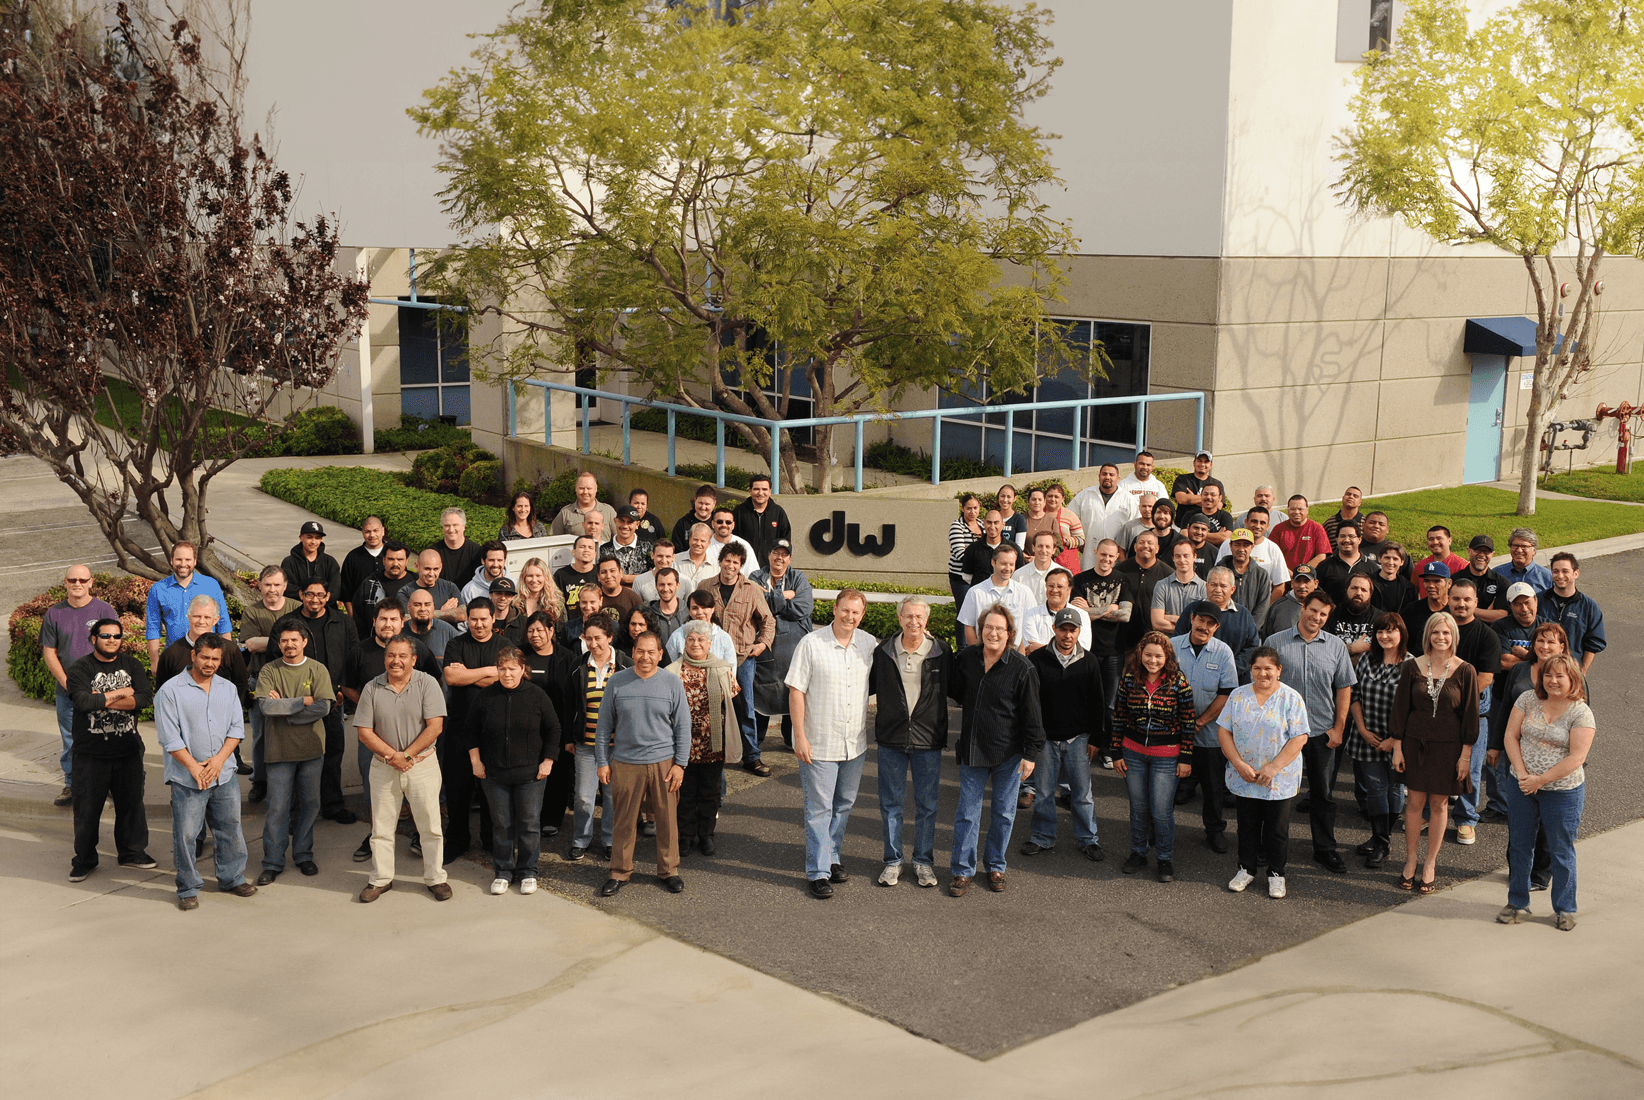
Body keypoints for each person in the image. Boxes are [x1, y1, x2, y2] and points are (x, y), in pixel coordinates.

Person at [945, 605, 1043, 896]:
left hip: (1008, 755)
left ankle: (996, 865)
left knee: (1004, 814)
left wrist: (1030, 754)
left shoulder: (1022, 668)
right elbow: (954, 690)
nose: (993, 633)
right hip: (973, 752)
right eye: (988, 627)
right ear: (981, 630)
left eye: (1000, 628)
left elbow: (1033, 716)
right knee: (967, 814)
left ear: (1009, 633)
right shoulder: (966, 659)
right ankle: (963, 870)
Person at [786, 589, 876, 899]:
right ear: (834, 609)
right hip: (819, 741)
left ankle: (832, 856)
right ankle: (818, 871)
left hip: (854, 743)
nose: (849, 617)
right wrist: (799, 735)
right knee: (819, 809)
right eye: (845, 610)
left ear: (861, 615)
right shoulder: (811, 643)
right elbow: (796, 691)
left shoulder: (868, 643)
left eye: (856, 612)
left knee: (843, 805)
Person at [155, 634, 255, 910]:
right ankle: (187, 887)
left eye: (215, 659)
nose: (210, 663)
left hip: (223, 774)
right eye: (205, 657)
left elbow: (237, 729)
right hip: (187, 778)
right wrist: (194, 768)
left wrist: (219, 761)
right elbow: (169, 738)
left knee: (230, 828)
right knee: (186, 835)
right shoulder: (170, 691)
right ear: (193, 656)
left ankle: (232, 878)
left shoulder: (227, 688)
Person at [341, 601, 442, 862]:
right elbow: (348, 685)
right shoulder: (359, 652)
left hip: (418, 751)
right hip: (376, 745)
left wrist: (407, 754)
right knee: (377, 798)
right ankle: (376, 842)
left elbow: (433, 685)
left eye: (393, 619)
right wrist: (368, 706)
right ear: (374, 621)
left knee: (425, 807)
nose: (388, 624)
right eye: (382, 619)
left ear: (402, 621)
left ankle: (422, 841)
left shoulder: (418, 651)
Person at [1499, 654, 1594, 930]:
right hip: (1522, 785)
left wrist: (1540, 780)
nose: (1552, 681)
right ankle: (1517, 902)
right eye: (1548, 675)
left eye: (1560, 676)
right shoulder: (1527, 699)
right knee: (1519, 845)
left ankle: (1564, 909)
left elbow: (1577, 757)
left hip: (1562, 791)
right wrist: (1523, 773)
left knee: (1560, 849)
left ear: (1573, 679)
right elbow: (1510, 736)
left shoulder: (1581, 712)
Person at [1387, 611, 1479, 894]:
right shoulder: (1412, 667)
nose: (1441, 638)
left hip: (1449, 749)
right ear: (1428, 635)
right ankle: (1411, 859)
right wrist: (1398, 748)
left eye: (1446, 633)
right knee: (1414, 803)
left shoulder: (1466, 670)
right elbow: (1400, 710)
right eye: (1436, 632)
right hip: (1415, 745)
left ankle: (1430, 863)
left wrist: (1465, 757)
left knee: (1439, 805)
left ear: (1454, 637)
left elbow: (1470, 717)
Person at [594, 632, 691, 896]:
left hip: (663, 763)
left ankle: (669, 870)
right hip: (626, 763)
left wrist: (680, 764)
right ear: (632, 652)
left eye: (651, 652)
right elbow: (604, 727)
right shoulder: (617, 682)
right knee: (623, 821)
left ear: (661, 654)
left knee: (667, 820)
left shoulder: (672, 683)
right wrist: (602, 762)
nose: (645, 657)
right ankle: (619, 871)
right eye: (640, 651)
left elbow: (683, 726)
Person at [354, 636, 450, 903]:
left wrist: (407, 754)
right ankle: (380, 879)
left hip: (422, 765)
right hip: (384, 766)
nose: (395, 661)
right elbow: (364, 731)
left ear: (413, 659)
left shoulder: (427, 683)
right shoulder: (372, 687)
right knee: (382, 827)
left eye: (402, 656)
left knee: (430, 825)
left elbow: (435, 727)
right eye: (390, 655)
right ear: (384, 658)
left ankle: (436, 878)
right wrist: (392, 756)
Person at [1268, 590, 1357, 873]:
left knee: (1323, 795)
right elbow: (1264, 685)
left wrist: (1339, 727)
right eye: (1313, 610)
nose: (1316, 617)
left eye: (1323, 614)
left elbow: (1344, 687)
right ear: (1303, 608)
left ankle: (1325, 849)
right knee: (1276, 794)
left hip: (1321, 732)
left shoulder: (1336, 646)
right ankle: (1269, 847)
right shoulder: (1275, 642)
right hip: (1282, 734)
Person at [66, 618, 157, 881]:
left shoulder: (132, 664)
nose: (111, 640)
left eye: (116, 636)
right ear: (93, 638)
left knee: (131, 805)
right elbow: (83, 702)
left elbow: (144, 697)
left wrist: (103, 699)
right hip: (90, 754)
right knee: (86, 810)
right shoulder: (81, 668)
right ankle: (84, 859)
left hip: (128, 750)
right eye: (105, 635)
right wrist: (121, 694)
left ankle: (132, 852)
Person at [1217, 647, 1311, 900]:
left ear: (1278, 670)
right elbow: (1224, 731)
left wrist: (1273, 767)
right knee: (1247, 826)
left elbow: (1300, 737)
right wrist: (1238, 763)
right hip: (1245, 775)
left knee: (1276, 829)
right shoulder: (1238, 696)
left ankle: (1276, 874)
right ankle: (1246, 869)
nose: (1263, 673)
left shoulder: (1291, 698)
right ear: (1251, 669)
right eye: (1257, 668)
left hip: (1278, 778)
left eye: (1268, 668)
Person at [467, 646, 560, 896]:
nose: (507, 673)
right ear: (497, 670)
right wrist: (476, 761)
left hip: (531, 775)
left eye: (512, 668)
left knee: (529, 823)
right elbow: (471, 731)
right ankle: (504, 872)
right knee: (502, 824)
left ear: (523, 670)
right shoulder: (485, 696)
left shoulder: (537, 695)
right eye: (502, 668)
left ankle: (528, 870)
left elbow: (553, 730)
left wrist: (548, 761)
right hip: (494, 775)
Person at [871, 597, 951, 887]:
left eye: (919, 616)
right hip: (891, 737)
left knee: (927, 806)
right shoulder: (883, 651)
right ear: (899, 618)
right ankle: (893, 861)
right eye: (908, 616)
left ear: (926, 620)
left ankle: (923, 862)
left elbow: (954, 690)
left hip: (928, 739)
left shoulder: (942, 651)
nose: (913, 621)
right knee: (891, 804)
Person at [1488, 623, 1572, 895]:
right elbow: (1503, 708)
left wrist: (1575, 759)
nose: (1545, 647)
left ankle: (1539, 874)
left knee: (1548, 823)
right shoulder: (1520, 670)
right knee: (1520, 818)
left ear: (1562, 647)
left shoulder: (1572, 674)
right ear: (1532, 644)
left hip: (1554, 762)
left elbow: (1581, 717)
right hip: (1518, 757)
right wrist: (1495, 745)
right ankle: (1518, 870)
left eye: (1552, 642)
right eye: (1540, 641)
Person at [253, 623, 334, 885]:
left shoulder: (317, 669)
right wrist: (301, 701)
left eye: (294, 640)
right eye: (284, 641)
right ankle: (273, 862)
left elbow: (323, 707)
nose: (289, 645)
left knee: (310, 805)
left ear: (304, 642)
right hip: (278, 751)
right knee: (278, 808)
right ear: (279, 644)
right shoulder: (269, 670)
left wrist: (285, 712)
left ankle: (303, 855)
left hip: (311, 750)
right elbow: (265, 706)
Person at [1112, 631, 1196, 883]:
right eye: (1148, 654)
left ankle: (1164, 859)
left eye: (1158, 656)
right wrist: (1116, 751)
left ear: (1167, 656)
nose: (1152, 660)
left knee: (1161, 811)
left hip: (1167, 756)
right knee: (1138, 808)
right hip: (1133, 752)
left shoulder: (1178, 682)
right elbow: (1118, 716)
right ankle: (1138, 852)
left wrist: (1186, 757)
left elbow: (1188, 721)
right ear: (1140, 654)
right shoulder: (1129, 679)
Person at [1023, 609, 1105, 861]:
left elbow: (1098, 703)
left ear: (1079, 632)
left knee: (1082, 794)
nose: (1067, 635)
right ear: (1054, 628)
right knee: (1045, 792)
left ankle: (1088, 839)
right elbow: (1030, 702)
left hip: (1078, 738)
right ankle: (1042, 837)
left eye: (1073, 630)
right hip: (1046, 739)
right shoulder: (1036, 659)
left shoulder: (1090, 661)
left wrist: (1095, 739)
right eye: (1063, 629)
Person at [277, 579, 357, 825]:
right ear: (301, 594)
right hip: (299, 701)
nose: (315, 599)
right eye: (309, 594)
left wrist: (341, 689)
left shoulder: (342, 622)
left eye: (320, 595)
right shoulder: (287, 624)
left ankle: (332, 805)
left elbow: (352, 657)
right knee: (299, 758)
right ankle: (298, 812)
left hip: (333, 699)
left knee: (333, 753)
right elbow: (276, 658)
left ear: (328, 596)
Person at [40, 565, 118, 806]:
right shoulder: (54, 614)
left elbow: (112, 648)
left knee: (107, 737)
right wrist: (69, 685)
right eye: (72, 579)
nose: (77, 583)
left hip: (101, 691)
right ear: (65, 583)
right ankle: (73, 784)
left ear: (91, 582)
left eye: (82, 580)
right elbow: (49, 653)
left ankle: (109, 785)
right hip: (68, 693)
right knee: (71, 740)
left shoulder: (104, 611)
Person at [441, 597, 511, 862]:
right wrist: (487, 671)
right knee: (458, 790)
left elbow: (505, 679)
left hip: (493, 731)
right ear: (466, 619)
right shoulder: (456, 644)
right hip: (460, 729)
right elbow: (452, 677)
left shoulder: (504, 644)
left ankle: (491, 840)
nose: (479, 624)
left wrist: (468, 675)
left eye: (484, 619)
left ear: (493, 619)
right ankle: (457, 840)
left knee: (491, 790)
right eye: (473, 619)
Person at [1169, 603, 1237, 849]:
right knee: (1167, 785)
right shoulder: (1172, 646)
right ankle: (1159, 829)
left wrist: (1199, 721)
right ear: (1191, 618)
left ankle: (1214, 830)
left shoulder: (1223, 652)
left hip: (1208, 733)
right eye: (1201, 621)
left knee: (1213, 788)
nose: (1204, 627)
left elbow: (1226, 692)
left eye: (1211, 623)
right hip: (1173, 732)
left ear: (1216, 627)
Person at [1345, 613, 1409, 869]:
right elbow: (1355, 695)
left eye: (1390, 631)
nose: (1384, 636)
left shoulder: (1411, 665)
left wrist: (1394, 740)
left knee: (1394, 789)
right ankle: (1381, 842)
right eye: (1380, 631)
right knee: (1375, 788)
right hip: (1368, 737)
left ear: (1401, 634)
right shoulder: (1366, 661)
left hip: (1398, 740)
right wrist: (1361, 729)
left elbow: (1414, 708)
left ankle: (1381, 839)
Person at [703, 544, 774, 776]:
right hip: (711, 659)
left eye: (735, 562)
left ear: (740, 565)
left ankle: (752, 756)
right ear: (720, 561)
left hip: (743, 658)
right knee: (711, 707)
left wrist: (762, 644)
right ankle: (713, 754)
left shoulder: (751, 589)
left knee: (746, 709)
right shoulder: (706, 586)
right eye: (727, 560)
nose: (730, 566)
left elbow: (768, 620)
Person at [672, 621, 740, 857]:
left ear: (710, 643)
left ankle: (707, 835)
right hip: (683, 744)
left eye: (701, 639)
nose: (696, 643)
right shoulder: (672, 671)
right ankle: (686, 836)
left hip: (714, 742)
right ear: (684, 642)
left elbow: (733, 704)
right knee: (686, 792)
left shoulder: (722, 668)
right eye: (691, 639)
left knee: (710, 792)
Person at [568, 612, 630, 861]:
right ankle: (580, 840)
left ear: (610, 638)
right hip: (586, 744)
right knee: (583, 797)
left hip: (618, 745)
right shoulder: (578, 665)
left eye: (598, 638)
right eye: (588, 638)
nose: (593, 644)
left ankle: (609, 840)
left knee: (612, 797)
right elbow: (569, 704)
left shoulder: (625, 665)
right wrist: (570, 738)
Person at [1070, 538, 1137, 766]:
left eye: (1112, 556)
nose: (1107, 559)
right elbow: (1077, 615)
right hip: (1085, 650)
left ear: (1117, 556)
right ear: (1095, 552)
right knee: (1083, 701)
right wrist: (1109, 609)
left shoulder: (1123, 580)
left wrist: (1091, 610)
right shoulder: (1080, 580)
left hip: (1113, 652)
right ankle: (1084, 747)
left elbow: (1126, 615)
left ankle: (1107, 748)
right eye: (1103, 554)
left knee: (1110, 705)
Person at [1446, 576, 1502, 846]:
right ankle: (1428, 812)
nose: (1461, 604)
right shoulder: (1438, 628)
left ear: (1476, 602)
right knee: (1436, 763)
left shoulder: (1486, 635)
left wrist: (1457, 702)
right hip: (1436, 709)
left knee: (1470, 769)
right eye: (1456, 598)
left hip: (1474, 710)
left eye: (1467, 599)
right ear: (1448, 599)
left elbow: (1487, 677)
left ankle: (1466, 818)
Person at [239, 565, 300, 802]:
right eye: (267, 584)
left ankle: (292, 779)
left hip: (293, 680)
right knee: (261, 736)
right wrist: (289, 641)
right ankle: (260, 781)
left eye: (277, 584)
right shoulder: (252, 612)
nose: (272, 589)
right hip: (259, 681)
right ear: (259, 585)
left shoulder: (296, 607)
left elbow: (305, 640)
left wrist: (268, 641)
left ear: (285, 586)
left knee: (293, 731)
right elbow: (250, 645)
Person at [752, 540, 812, 747]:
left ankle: (791, 739)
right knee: (761, 693)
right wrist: (785, 596)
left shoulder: (799, 577)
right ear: (769, 555)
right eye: (775, 552)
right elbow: (754, 606)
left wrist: (770, 598)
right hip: (764, 648)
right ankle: (755, 743)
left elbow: (803, 608)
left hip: (794, 649)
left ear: (790, 558)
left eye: (784, 554)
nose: (779, 557)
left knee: (793, 690)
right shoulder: (755, 577)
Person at [144, 541, 230, 670]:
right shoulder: (158, 590)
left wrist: (226, 656)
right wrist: (155, 661)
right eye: (179, 559)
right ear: (171, 561)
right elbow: (153, 628)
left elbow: (223, 623)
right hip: (175, 657)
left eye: (188, 559)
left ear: (195, 561)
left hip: (208, 655)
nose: (183, 564)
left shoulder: (211, 585)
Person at [1170, 566, 1260, 682]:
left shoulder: (1243, 615)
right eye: (1213, 584)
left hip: (1234, 681)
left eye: (1223, 586)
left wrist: (1229, 669)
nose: (1218, 590)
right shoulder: (1192, 609)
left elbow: (1252, 647)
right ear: (1206, 586)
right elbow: (1178, 640)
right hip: (1190, 679)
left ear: (1232, 589)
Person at [155, 595, 252, 702]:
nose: (201, 621)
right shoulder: (171, 654)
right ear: (188, 616)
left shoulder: (230, 650)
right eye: (197, 616)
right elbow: (162, 694)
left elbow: (240, 686)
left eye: (207, 617)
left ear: (216, 620)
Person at [1536, 552, 1605, 674]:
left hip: (1571, 671)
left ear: (1576, 573)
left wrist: (1582, 672)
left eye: (1565, 571)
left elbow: (1594, 643)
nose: (1560, 575)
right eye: (1555, 571)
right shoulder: (1538, 600)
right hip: (1540, 670)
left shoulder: (1589, 606)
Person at [957, 542, 1036, 647]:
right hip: (983, 654)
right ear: (993, 562)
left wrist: (1020, 657)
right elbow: (969, 626)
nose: (1008, 568)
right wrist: (975, 655)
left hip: (1015, 655)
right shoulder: (975, 592)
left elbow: (1030, 626)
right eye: (1003, 563)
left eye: (1012, 564)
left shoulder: (1025, 592)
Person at [1070, 463, 1139, 569]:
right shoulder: (1085, 495)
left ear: (1118, 478)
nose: (1107, 477)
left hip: (1115, 557)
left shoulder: (1128, 499)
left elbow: (1136, 527)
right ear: (1099, 477)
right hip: (1089, 553)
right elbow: (1069, 518)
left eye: (1111, 475)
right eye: (1104, 474)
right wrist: (1078, 541)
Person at [1215, 507, 1291, 603]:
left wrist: (1265, 610)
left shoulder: (1273, 549)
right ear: (1246, 522)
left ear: (1268, 526)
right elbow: (1216, 575)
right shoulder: (1227, 544)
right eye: (1254, 521)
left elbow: (1280, 585)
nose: (1258, 526)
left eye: (1262, 523)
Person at [1116, 531, 1171, 652]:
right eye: (1141, 542)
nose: (1145, 546)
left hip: (1155, 642)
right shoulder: (1120, 571)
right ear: (1135, 547)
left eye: (1150, 543)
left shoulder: (1168, 575)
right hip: (1123, 642)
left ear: (1157, 549)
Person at [349, 541, 414, 640]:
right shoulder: (369, 584)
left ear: (406, 561)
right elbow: (358, 621)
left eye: (400, 559)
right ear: (383, 560)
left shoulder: (416, 584)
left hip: (409, 646)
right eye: (391, 559)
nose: (395, 563)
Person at [1021, 567, 1091, 654]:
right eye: (1051, 586)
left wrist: (1043, 647)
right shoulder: (1031, 614)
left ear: (1069, 590)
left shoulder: (1081, 614)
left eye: (1060, 586)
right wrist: (1066, 649)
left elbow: (1083, 648)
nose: (1054, 590)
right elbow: (1031, 649)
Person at [730, 473, 791, 569]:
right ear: (750, 491)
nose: (760, 493)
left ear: (770, 491)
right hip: (744, 567)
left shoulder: (778, 512)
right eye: (756, 489)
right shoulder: (739, 512)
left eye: (765, 489)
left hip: (770, 568)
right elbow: (732, 539)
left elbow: (785, 541)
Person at [666, 590, 738, 665]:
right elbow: (669, 667)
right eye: (695, 608)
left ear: (713, 609)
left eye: (704, 607)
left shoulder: (724, 638)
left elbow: (730, 669)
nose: (700, 612)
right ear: (689, 610)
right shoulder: (677, 636)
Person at [280, 520, 343, 606]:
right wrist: (309, 597)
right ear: (301, 537)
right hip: (297, 609)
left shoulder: (330, 562)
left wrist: (318, 601)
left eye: (317, 538)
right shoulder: (289, 562)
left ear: (321, 539)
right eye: (309, 537)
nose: (313, 542)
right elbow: (287, 588)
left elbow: (335, 590)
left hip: (326, 610)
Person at [1150, 539, 1206, 633]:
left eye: (1186, 556)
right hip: (1168, 645)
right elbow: (1157, 623)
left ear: (1194, 557)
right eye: (1177, 556)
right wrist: (1188, 625)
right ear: (1173, 558)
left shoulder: (1204, 588)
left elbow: (1203, 624)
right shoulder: (1162, 586)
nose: (1182, 560)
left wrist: (1168, 617)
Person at [1222, 528, 1275, 628]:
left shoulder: (1261, 575)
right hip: (1223, 630)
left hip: (1252, 633)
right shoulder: (1219, 572)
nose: (1241, 549)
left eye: (1246, 545)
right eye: (1237, 544)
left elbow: (1262, 608)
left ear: (1252, 547)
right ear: (1230, 546)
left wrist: (1249, 630)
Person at [1315, 521, 1376, 606]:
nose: (1346, 540)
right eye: (1342, 536)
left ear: (1359, 539)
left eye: (1351, 536)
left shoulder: (1373, 569)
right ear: (1337, 539)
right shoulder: (1324, 566)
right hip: (1332, 617)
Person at [1401, 562, 1453, 651]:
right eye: (1427, 581)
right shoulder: (1411, 610)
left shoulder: (1455, 611)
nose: (1431, 585)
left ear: (1449, 584)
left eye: (1437, 581)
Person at [339, 516, 388, 609]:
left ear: (383, 531)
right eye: (367, 532)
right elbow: (346, 591)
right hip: (361, 615)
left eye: (375, 530)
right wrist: (352, 617)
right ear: (362, 533)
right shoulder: (353, 557)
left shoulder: (392, 554)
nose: (372, 535)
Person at [1271, 495, 1329, 572]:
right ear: (1288, 510)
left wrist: (1302, 573)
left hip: (1308, 577)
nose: (1296, 512)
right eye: (1292, 509)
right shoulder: (1278, 529)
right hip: (1283, 575)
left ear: (1307, 510)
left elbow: (1321, 556)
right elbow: (1272, 555)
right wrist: (1287, 573)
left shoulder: (1317, 528)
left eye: (1300, 509)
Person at [1460, 535, 1511, 622]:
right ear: (1469, 551)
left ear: (1492, 554)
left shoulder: (1502, 582)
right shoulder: (1456, 579)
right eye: (1477, 550)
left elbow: (1501, 616)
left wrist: (1466, 609)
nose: (1482, 554)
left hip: (1492, 633)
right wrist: (1487, 613)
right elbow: (1450, 609)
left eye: (1487, 551)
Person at [405, 549, 465, 624]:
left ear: (441, 567)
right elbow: (405, 619)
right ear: (417, 566)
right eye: (427, 569)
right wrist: (444, 612)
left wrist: (425, 615)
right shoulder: (406, 592)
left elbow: (463, 614)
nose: (431, 574)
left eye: (435, 569)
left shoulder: (450, 587)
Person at [1327, 574, 1379, 658]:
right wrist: (1352, 649)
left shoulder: (1379, 618)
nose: (1358, 593)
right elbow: (1323, 647)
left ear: (1370, 594)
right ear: (1346, 590)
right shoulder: (1333, 614)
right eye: (1354, 588)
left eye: (1364, 590)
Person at [551, 471, 617, 536]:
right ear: (576, 488)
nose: (585, 492)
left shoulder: (609, 512)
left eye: (589, 488)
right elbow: (553, 540)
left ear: (596, 488)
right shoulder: (565, 513)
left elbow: (620, 539)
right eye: (581, 488)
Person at [947, 493, 985, 605]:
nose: (972, 512)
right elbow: (961, 555)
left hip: (979, 576)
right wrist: (979, 550)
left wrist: (970, 548)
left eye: (975, 508)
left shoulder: (983, 524)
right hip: (960, 577)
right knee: (964, 612)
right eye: (969, 508)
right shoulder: (957, 526)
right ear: (962, 508)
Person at [434, 507, 483, 593]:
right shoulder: (434, 553)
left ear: (463, 526)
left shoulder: (477, 552)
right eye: (447, 525)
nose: (451, 530)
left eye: (455, 525)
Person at [601, 505, 653, 585]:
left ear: (637, 524)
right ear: (615, 521)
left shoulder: (648, 546)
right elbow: (602, 577)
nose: (625, 526)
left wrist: (624, 578)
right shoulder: (604, 549)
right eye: (622, 521)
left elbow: (656, 574)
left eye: (630, 522)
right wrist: (641, 577)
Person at [1263, 564, 1318, 639]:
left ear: (1315, 583)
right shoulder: (1278, 607)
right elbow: (1266, 637)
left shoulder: (1324, 608)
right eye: (1298, 581)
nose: (1302, 586)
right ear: (1292, 583)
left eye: (1306, 581)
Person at [405, 588, 459, 663]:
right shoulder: (400, 632)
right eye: (417, 605)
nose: (423, 609)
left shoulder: (448, 632)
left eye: (427, 604)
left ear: (433, 607)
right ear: (408, 607)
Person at [959, 509, 1010, 588]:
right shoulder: (973, 549)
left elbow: (1019, 575)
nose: (992, 527)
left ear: (1003, 524)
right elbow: (967, 577)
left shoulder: (1013, 549)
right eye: (989, 522)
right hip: (980, 596)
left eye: (996, 522)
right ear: (984, 523)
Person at [1043, 483, 1086, 572]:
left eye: (1056, 497)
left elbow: (1081, 539)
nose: (1053, 499)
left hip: (1066, 561)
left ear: (1062, 499)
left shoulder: (1070, 515)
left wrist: (1064, 541)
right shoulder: (1038, 514)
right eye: (1050, 496)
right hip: (1042, 559)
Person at [511, 556, 566, 626]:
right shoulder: (515, 602)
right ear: (523, 578)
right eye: (530, 576)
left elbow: (562, 632)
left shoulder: (556, 603)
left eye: (538, 575)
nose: (534, 580)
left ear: (545, 577)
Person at [1126, 497, 1182, 562]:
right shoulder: (1140, 540)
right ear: (1153, 515)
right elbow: (1131, 564)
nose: (1161, 516)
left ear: (1172, 517)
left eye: (1166, 513)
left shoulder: (1181, 541)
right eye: (1158, 512)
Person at [1359, 512, 1411, 581]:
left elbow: (1411, 579)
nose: (1376, 526)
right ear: (1363, 525)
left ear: (1387, 530)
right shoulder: (1353, 546)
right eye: (1372, 522)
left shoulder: (1395, 550)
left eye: (1381, 524)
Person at [706, 507, 759, 575]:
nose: (724, 525)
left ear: (733, 525)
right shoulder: (704, 545)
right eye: (720, 522)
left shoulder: (744, 545)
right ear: (713, 524)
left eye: (728, 522)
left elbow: (753, 574)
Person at [554, 535, 601, 610]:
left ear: (595, 554)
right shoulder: (561, 575)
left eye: (590, 547)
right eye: (582, 547)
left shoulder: (601, 573)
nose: (586, 550)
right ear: (574, 552)